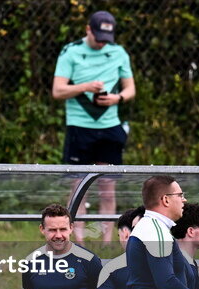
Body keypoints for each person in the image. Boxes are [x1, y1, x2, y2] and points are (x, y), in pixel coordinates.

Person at [51, 10, 135, 243]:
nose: (101, 43)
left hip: (110, 127)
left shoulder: (118, 53)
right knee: (79, 186)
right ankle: (76, 240)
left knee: (108, 186)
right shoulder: (71, 51)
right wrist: (86, 86)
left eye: (105, 39)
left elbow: (130, 89)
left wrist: (116, 99)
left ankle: (107, 241)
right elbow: (58, 90)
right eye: (97, 37)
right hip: (80, 127)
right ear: (88, 29)